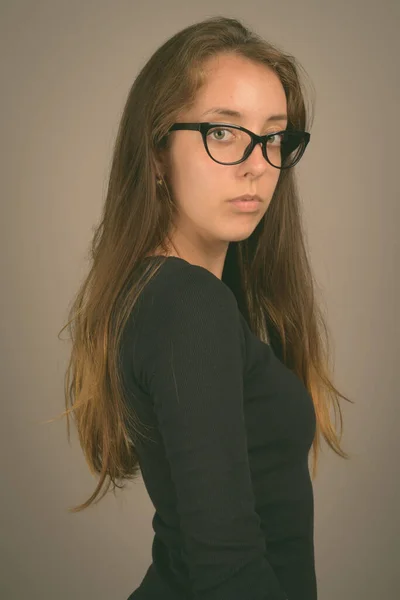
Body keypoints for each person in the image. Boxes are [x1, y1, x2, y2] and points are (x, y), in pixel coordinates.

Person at [58, 15, 352, 600]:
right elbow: (227, 569)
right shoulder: (191, 307)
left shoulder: (164, 293)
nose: (257, 164)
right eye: (223, 132)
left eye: (273, 137)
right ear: (158, 152)